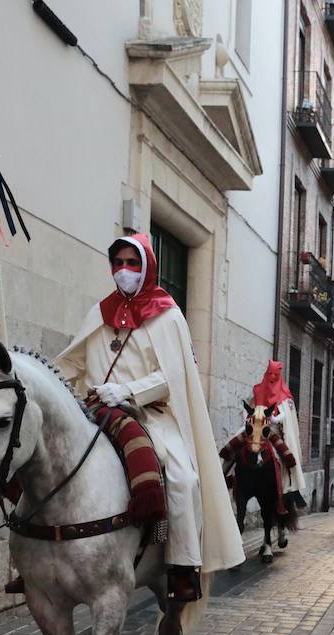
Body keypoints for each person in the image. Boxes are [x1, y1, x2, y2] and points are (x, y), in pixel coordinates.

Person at [55, 234, 244, 603]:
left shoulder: (167, 314)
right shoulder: (99, 312)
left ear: (147, 267)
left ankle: (182, 567)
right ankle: (32, 560)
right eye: (118, 263)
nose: (124, 271)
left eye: (132, 263)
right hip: (94, 411)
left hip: (149, 414)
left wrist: (128, 391)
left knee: (183, 478)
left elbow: (173, 377)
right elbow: (72, 363)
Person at [252, 360, 307, 508]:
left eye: (275, 375)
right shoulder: (258, 390)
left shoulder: (285, 395)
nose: (272, 377)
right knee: (237, 442)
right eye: (269, 373)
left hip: (274, 431)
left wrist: (277, 418)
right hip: (257, 428)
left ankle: (291, 487)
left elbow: (288, 414)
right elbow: (251, 405)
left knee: (286, 455)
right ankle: (228, 474)